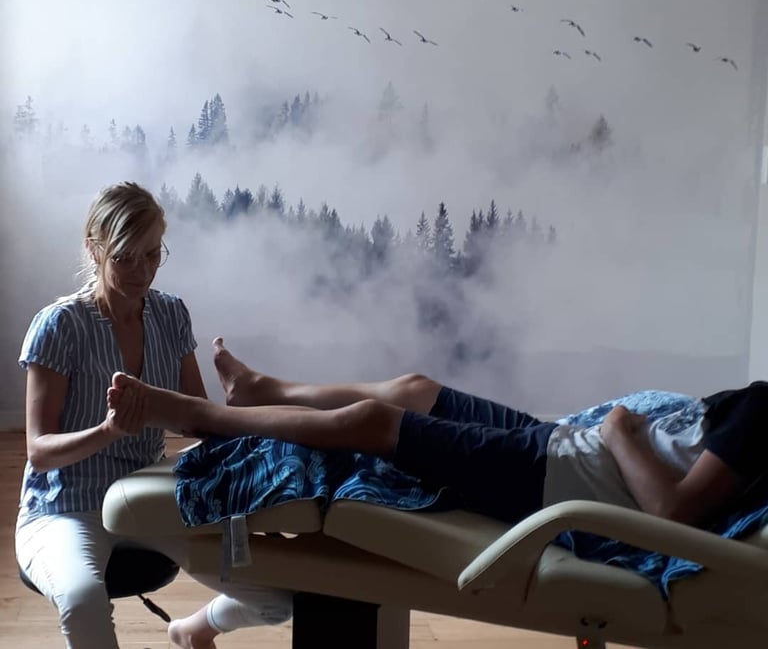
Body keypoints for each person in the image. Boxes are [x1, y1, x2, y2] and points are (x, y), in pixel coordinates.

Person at [113, 338, 768, 648]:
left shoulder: (766, 412)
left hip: (551, 474)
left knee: (370, 423)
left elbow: (674, 512)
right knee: (417, 390)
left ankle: (203, 417)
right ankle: (265, 390)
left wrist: (622, 429)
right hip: (563, 445)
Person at [15, 182, 291, 649]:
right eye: (125, 257)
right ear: (95, 249)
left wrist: (236, 416)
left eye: (152, 254)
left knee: (278, 596)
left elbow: (196, 418)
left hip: (145, 498)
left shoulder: (170, 314)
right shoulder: (59, 324)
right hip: (65, 506)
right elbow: (39, 453)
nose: (142, 271)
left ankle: (193, 630)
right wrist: (108, 431)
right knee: (82, 601)